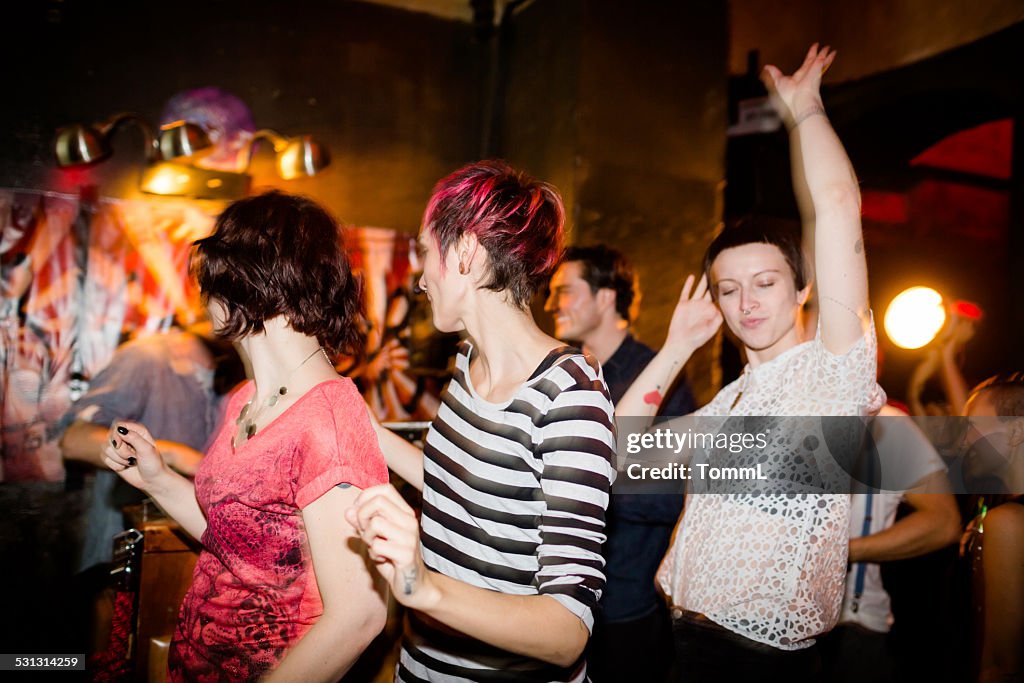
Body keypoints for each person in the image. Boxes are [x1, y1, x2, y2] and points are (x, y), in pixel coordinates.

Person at [615, 44, 884, 680]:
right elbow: (622, 453)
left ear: (802, 289)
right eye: (728, 289)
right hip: (681, 638)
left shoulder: (829, 375)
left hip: (758, 661)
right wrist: (678, 347)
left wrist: (806, 112)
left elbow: (839, 206)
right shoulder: (731, 400)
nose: (746, 301)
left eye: (764, 282)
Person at [346, 161, 617, 682]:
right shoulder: (469, 363)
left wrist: (420, 586)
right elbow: (454, 486)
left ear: (466, 252)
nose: (422, 278)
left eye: (426, 254)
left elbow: (566, 632)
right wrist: (350, 417)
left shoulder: (570, 395)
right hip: (424, 667)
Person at [102, 191, 389, 682]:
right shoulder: (248, 397)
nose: (203, 291)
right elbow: (239, 544)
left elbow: (359, 616)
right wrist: (157, 479)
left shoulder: (328, 421)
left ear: (249, 278)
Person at [546, 244, 693, 682]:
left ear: (606, 296)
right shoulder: (567, 374)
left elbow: (671, 497)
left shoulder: (657, 375)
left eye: (565, 291)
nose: (552, 304)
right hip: (562, 598)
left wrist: (579, 490)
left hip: (623, 605)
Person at [820, 403, 961, 683]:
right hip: (750, 625)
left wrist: (843, 553)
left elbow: (943, 522)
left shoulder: (888, 425)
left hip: (848, 629)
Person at [959, 373, 1023, 683]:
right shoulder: (996, 513)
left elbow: (1002, 665)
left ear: (1016, 432)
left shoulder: (1008, 521)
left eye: (973, 427)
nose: (965, 439)